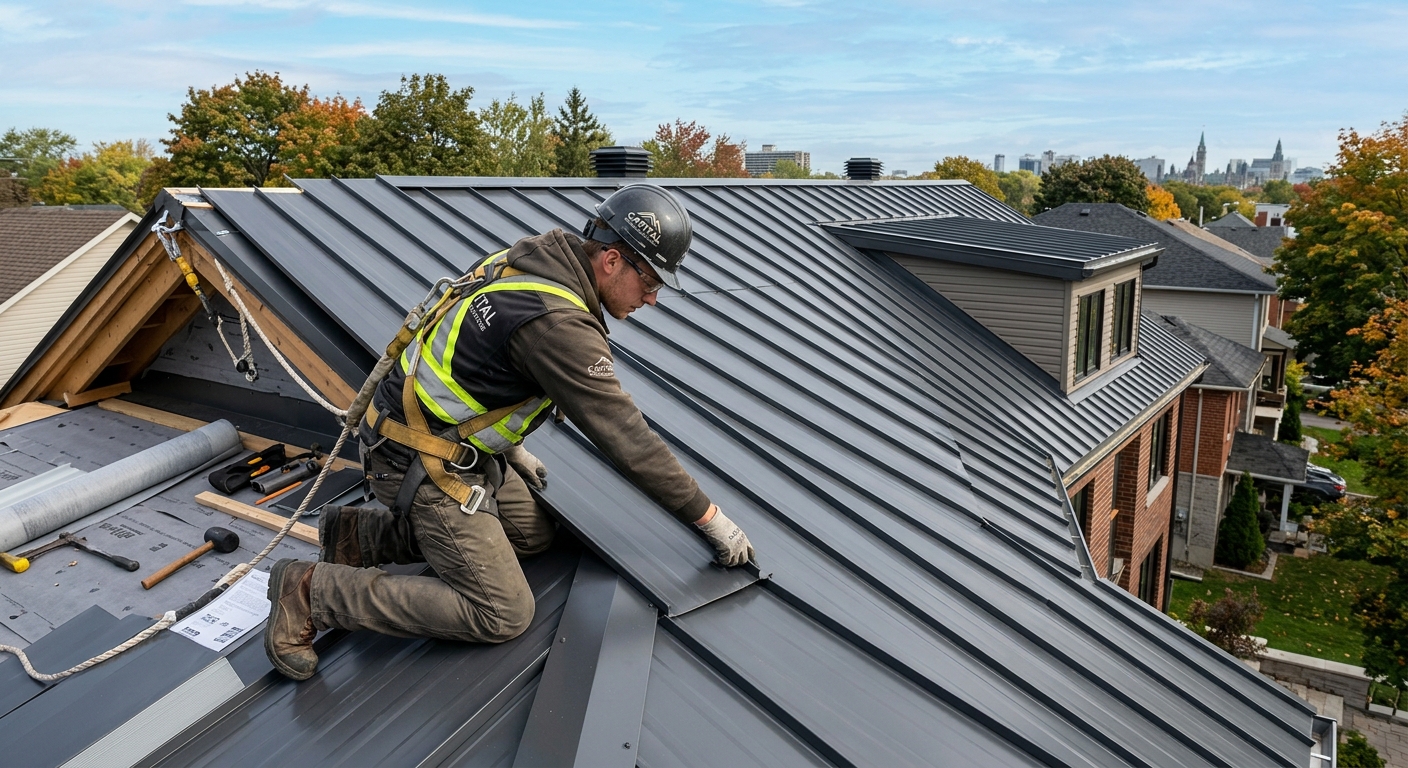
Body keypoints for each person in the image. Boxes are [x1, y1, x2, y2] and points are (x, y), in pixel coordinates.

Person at [265, 184, 756, 680]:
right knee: (501, 611)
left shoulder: (533, 260)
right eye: (650, 281)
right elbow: (627, 439)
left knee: (533, 533)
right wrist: (708, 518)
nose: (652, 298)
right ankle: (309, 592)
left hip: (435, 437)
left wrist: (511, 448)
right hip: (418, 460)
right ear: (612, 260)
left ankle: (356, 538)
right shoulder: (557, 324)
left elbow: (483, 365)